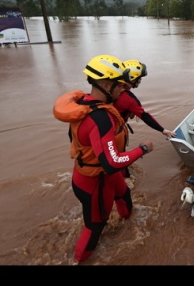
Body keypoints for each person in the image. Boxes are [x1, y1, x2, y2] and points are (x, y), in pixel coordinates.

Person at [53, 54, 154, 263]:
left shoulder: (85, 103)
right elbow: (112, 162)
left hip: (102, 175)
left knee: (124, 195)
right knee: (95, 227)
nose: (123, 90)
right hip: (94, 182)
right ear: (107, 84)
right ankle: (80, 260)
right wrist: (142, 149)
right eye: (120, 86)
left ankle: (128, 225)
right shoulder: (100, 119)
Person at [114, 59, 176, 139]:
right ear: (132, 78)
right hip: (115, 132)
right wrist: (163, 130)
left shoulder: (112, 89)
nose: (140, 80)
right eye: (139, 78)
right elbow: (145, 116)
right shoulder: (130, 98)